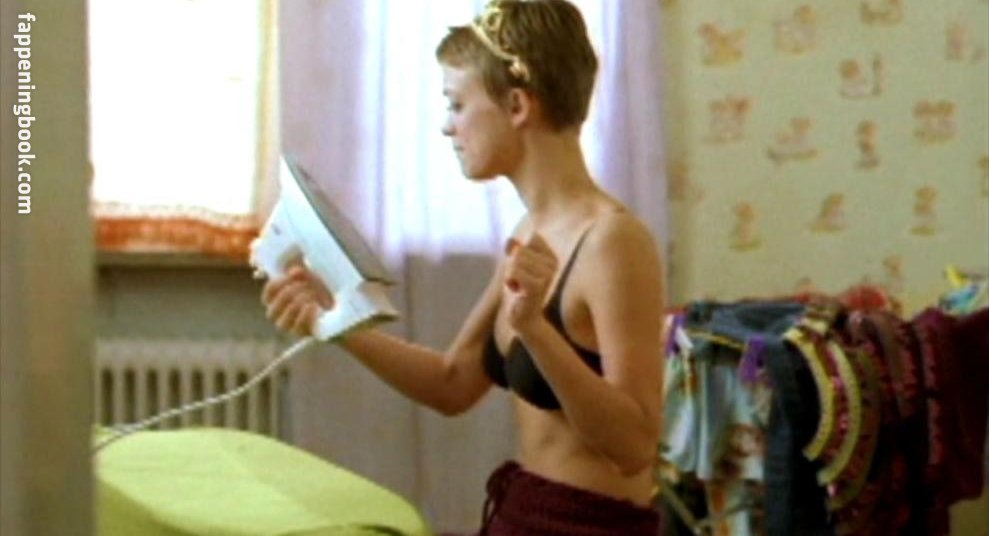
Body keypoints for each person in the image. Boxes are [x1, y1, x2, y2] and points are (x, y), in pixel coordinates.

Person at [261, 1, 666, 534]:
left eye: (456, 104)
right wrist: (333, 321)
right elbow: (453, 383)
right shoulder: (528, 233)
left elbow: (635, 447)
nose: (446, 127)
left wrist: (535, 331)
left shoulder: (614, 243)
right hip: (523, 512)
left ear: (516, 105)